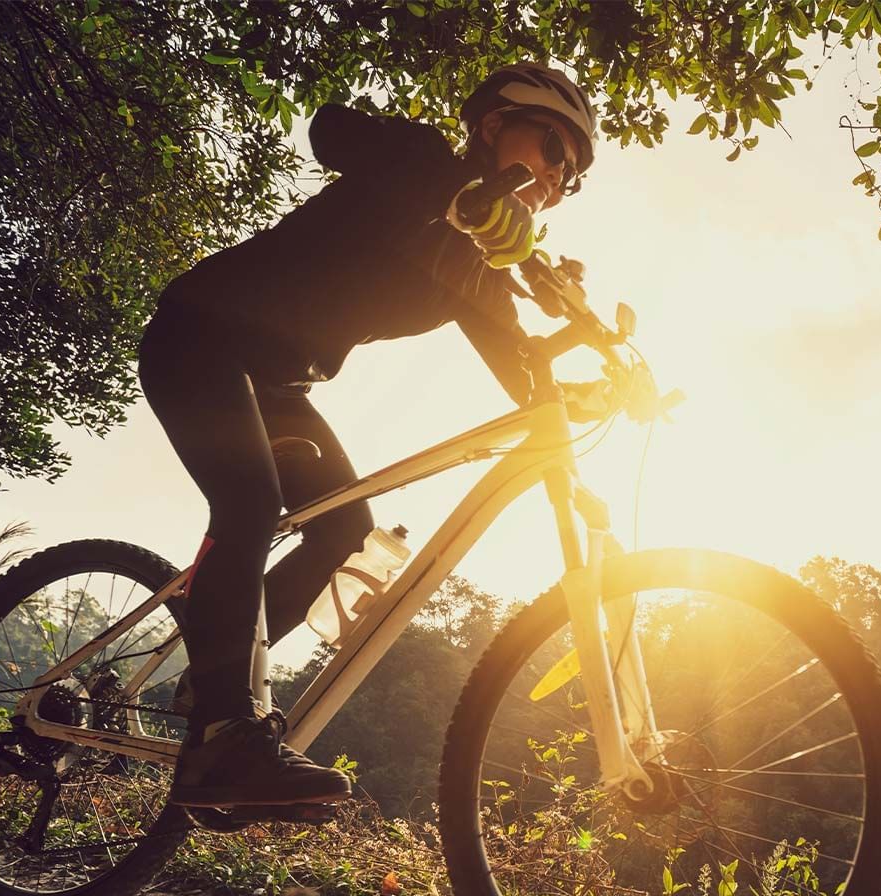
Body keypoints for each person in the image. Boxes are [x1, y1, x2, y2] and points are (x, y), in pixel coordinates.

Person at [136, 63, 596, 807]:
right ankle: (224, 733)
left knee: (347, 533)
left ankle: (210, 687)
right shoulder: (418, 163)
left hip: (273, 385)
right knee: (250, 507)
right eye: (552, 146)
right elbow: (333, 129)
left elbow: (517, 357)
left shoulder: (467, 263)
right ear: (492, 125)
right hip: (200, 336)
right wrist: (457, 193)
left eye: (571, 176)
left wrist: (583, 384)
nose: (558, 176)